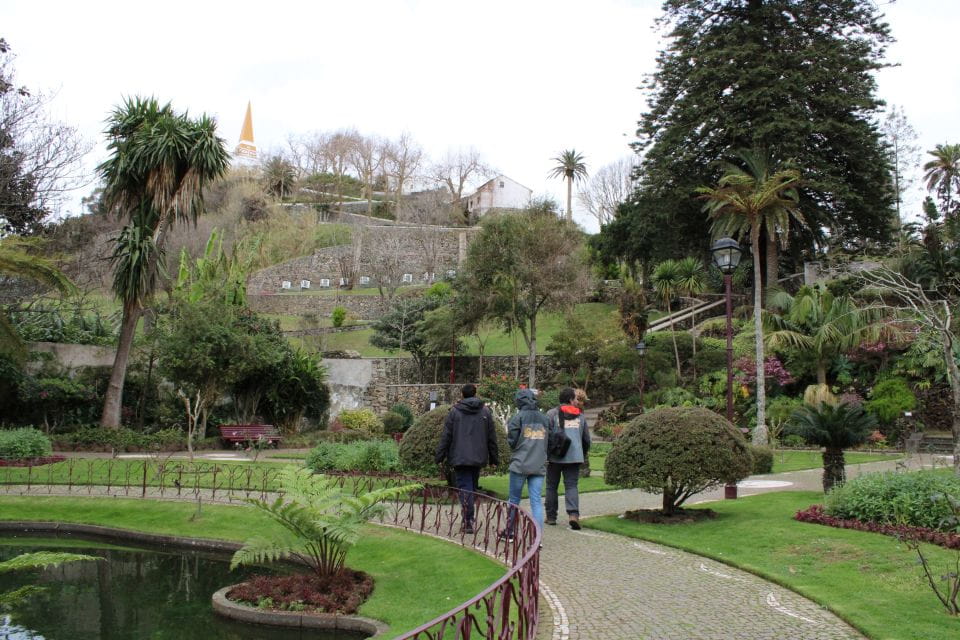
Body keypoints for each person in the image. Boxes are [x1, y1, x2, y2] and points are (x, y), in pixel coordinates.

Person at [435, 383, 499, 534]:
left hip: (460, 456)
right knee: (471, 488)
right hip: (477, 456)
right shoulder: (485, 412)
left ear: (462, 395)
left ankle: (468, 520)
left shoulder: (455, 412)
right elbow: (492, 438)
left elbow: (446, 436)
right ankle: (469, 518)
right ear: (475, 394)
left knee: (465, 489)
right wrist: (494, 459)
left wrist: (439, 456)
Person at [500, 388, 550, 540]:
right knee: (536, 502)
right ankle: (537, 538)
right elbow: (551, 440)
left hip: (520, 464)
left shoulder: (517, 418)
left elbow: (512, 441)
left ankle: (509, 532)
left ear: (519, 401)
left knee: (514, 500)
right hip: (539, 464)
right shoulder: (544, 419)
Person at [545, 387, 591, 530]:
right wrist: (581, 453)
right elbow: (586, 440)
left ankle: (551, 517)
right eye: (576, 398)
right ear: (571, 400)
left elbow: (547, 436)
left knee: (551, 486)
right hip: (574, 457)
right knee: (571, 486)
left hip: (555, 456)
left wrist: (546, 454)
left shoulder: (551, 414)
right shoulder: (580, 416)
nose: (577, 401)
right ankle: (573, 515)